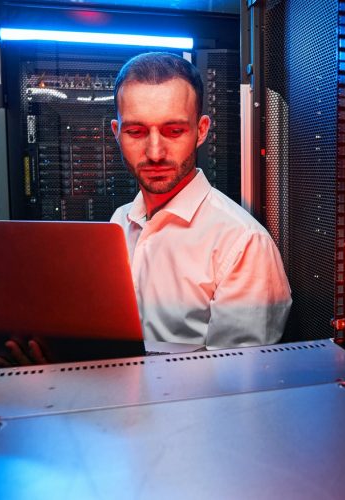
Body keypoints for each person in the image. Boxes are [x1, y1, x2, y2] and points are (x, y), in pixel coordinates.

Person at [108, 51, 291, 348]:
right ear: (117, 133)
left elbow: (235, 384)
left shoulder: (243, 244)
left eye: (174, 131)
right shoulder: (119, 222)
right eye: (136, 131)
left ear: (201, 130)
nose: (155, 152)